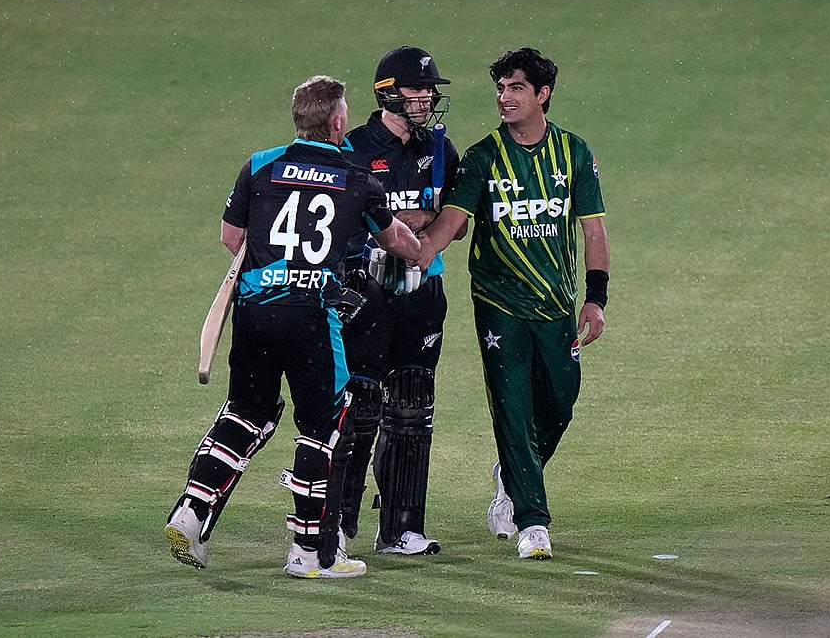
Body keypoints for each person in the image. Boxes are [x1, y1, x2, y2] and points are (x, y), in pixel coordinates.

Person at [164, 75, 422, 579]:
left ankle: (190, 515)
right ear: (339, 121)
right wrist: (419, 249)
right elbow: (396, 241)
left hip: (255, 311)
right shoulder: (357, 179)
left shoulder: (259, 166)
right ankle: (310, 553)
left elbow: (231, 236)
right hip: (312, 318)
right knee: (323, 427)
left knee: (247, 413)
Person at [414, 47, 610, 560]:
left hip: (555, 303)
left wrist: (596, 299)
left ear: (542, 95)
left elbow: (594, 232)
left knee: (562, 401)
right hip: (497, 301)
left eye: (516, 88)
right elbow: (449, 227)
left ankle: (512, 473)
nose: (504, 98)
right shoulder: (483, 157)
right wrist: (405, 245)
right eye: (500, 88)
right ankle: (532, 522)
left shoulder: (574, 153)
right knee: (512, 407)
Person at [336, 45, 463, 555]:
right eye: (418, 89)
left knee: (412, 407)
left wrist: (403, 226)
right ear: (388, 93)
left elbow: (456, 221)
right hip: (366, 292)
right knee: (359, 408)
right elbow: (344, 225)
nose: (428, 97)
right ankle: (336, 526)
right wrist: (408, 227)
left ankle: (401, 527)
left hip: (424, 293)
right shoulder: (353, 149)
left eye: (431, 89)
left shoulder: (442, 151)